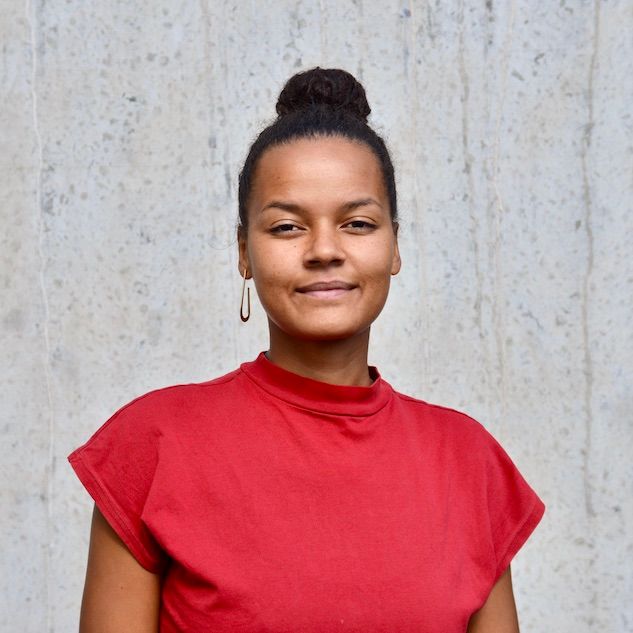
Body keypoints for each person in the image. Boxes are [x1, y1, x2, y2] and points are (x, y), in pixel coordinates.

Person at [69, 67, 545, 633]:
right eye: (287, 227)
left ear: (394, 245)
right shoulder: (153, 444)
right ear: (243, 252)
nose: (324, 250)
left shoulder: (467, 460)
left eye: (358, 223)